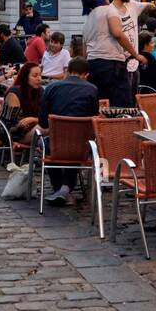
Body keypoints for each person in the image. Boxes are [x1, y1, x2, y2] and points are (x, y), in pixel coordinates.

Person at [37, 56, 100, 205]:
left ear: (67, 71)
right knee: (77, 143)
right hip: (82, 147)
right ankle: (65, 189)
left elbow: (43, 122)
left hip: (55, 145)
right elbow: (94, 119)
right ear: (86, 75)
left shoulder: (52, 88)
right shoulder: (92, 89)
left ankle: (60, 188)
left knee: (48, 146)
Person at [84, 0, 147, 108]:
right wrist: (136, 55)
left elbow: (85, 45)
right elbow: (117, 33)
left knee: (102, 105)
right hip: (111, 65)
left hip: (93, 64)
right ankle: (121, 129)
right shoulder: (109, 10)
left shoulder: (90, 16)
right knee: (122, 106)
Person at [1, 62, 44, 146]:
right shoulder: (15, 92)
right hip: (12, 134)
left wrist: (34, 120)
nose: (39, 79)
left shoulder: (39, 91)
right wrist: (36, 121)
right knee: (47, 128)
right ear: (25, 77)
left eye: (40, 75)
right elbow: (12, 125)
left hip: (30, 130)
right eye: (35, 76)